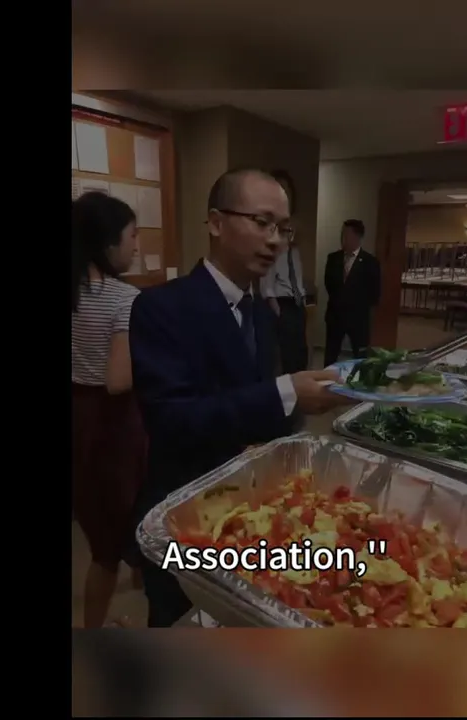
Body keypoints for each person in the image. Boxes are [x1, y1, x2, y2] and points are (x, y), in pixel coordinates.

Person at [128, 168, 354, 627]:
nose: (275, 241)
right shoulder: (161, 307)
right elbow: (172, 421)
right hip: (186, 516)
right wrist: (286, 392)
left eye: (283, 229)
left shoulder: (261, 313)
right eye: (262, 222)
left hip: (250, 516)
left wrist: (304, 403)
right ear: (216, 222)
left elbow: (260, 408)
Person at [70, 191, 147, 628]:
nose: (136, 245)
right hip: (111, 428)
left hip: (77, 421)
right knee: (117, 541)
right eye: (132, 235)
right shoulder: (123, 298)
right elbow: (118, 380)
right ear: (107, 242)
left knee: (101, 533)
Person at [260, 169, 309, 374]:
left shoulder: (293, 240)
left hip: (297, 301)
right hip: (281, 302)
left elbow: (296, 271)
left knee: (300, 351)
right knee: (285, 354)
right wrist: (274, 304)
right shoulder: (270, 236)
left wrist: (302, 298)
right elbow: (266, 273)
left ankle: (301, 385)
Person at [323, 219, 381, 366]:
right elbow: (328, 284)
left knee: (360, 358)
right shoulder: (333, 258)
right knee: (330, 356)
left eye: (346, 234)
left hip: (358, 319)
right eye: (342, 234)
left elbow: (374, 292)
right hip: (335, 316)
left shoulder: (370, 262)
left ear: (357, 237)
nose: (342, 238)